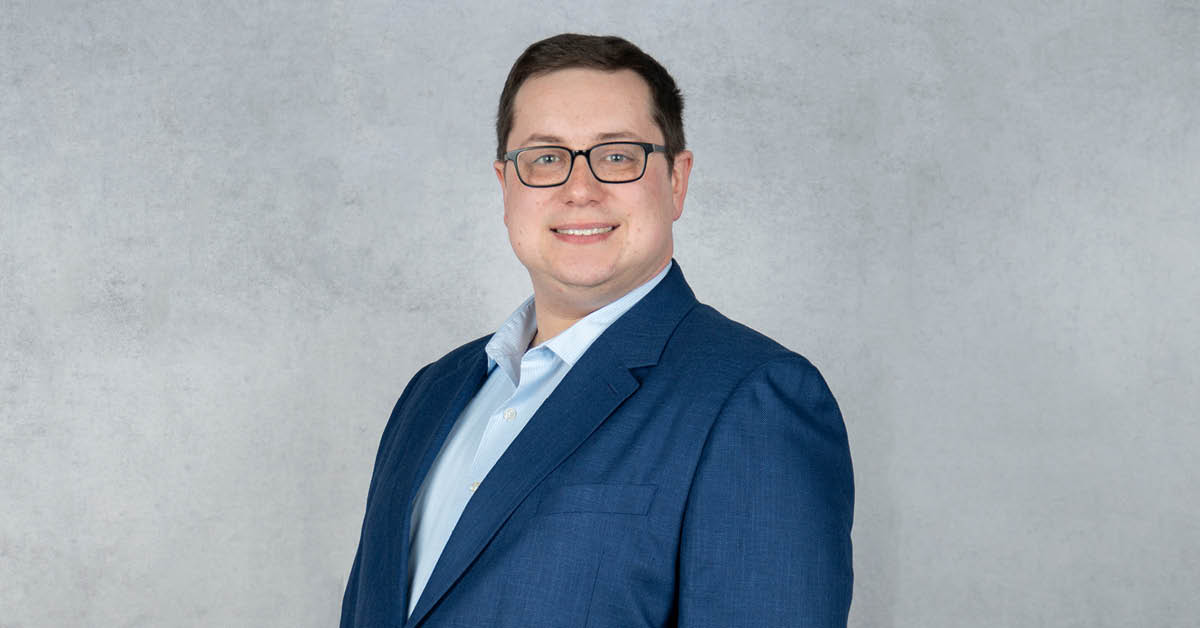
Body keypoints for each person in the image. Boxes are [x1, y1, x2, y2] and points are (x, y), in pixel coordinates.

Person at [340, 33, 854, 628]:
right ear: (506, 186)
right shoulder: (430, 393)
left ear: (677, 181)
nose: (579, 189)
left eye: (616, 155)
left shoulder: (753, 400)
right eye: (546, 158)